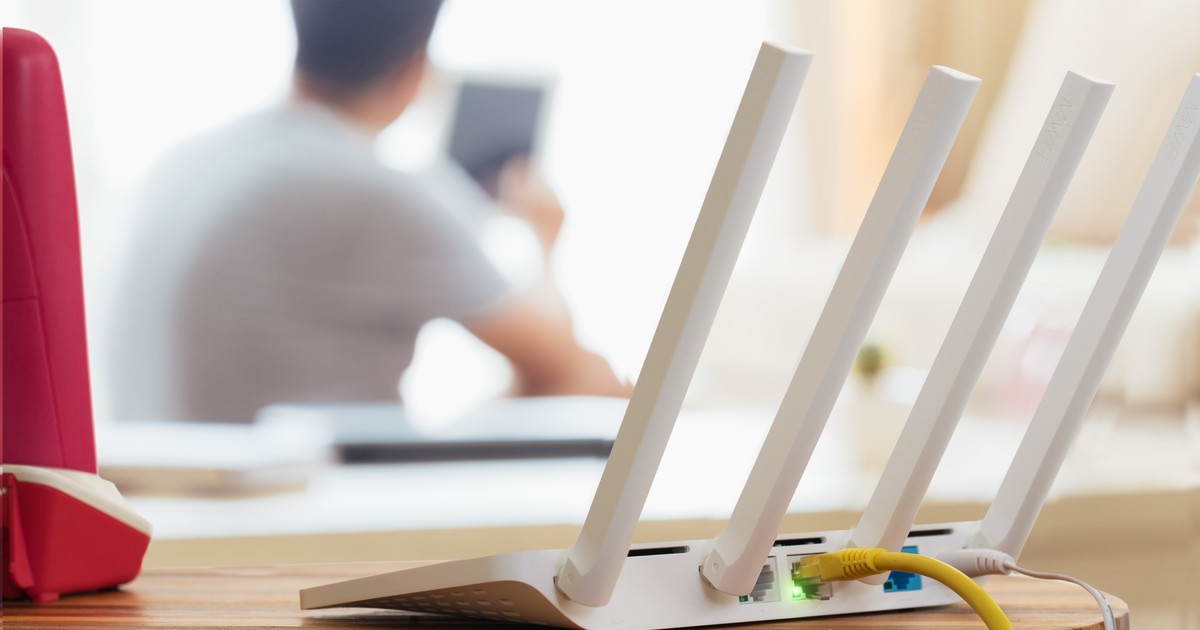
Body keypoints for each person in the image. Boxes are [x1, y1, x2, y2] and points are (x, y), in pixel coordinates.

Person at [107, 0, 630, 424]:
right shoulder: (369, 188)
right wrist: (544, 242)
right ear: (416, 68)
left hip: (156, 509)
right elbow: (579, 377)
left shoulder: (185, 161)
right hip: (300, 511)